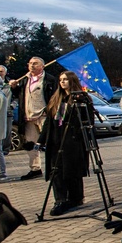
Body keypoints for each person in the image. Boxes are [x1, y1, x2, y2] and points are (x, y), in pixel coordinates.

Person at [37, 71, 93, 217]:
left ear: (72, 81)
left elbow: (88, 121)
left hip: (72, 141)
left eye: (66, 80)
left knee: (71, 170)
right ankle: (60, 199)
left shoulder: (80, 98)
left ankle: (75, 198)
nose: (62, 82)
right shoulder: (56, 98)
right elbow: (49, 122)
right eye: (61, 80)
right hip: (56, 140)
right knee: (56, 170)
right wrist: (41, 140)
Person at [10, 56, 58, 180]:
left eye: (35, 63)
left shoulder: (50, 80)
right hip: (28, 117)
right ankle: (35, 168)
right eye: (30, 63)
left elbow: (55, 97)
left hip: (44, 116)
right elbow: (18, 96)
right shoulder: (24, 80)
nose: (32, 66)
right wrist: (14, 87)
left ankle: (54, 167)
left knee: (51, 142)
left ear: (42, 66)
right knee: (31, 145)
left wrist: (50, 113)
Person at [0, 64, 14, 156]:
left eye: (1, 71)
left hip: (7, 111)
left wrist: (12, 106)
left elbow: (17, 96)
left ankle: (5, 149)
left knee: (7, 131)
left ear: (5, 73)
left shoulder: (11, 84)